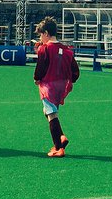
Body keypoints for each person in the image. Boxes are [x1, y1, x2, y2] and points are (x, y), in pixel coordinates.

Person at [33, 17, 80, 157]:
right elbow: (75, 72)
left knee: (52, 114)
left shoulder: (44, 48)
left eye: (41, 34)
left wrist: (37, 79)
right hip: (61, 87)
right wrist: (69, 79)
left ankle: (59, 147)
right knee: (48, 112)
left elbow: (41, 66)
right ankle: (61, 136)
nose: (40, 37)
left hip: (48, 86)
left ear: (46, 33)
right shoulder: (67, 50)